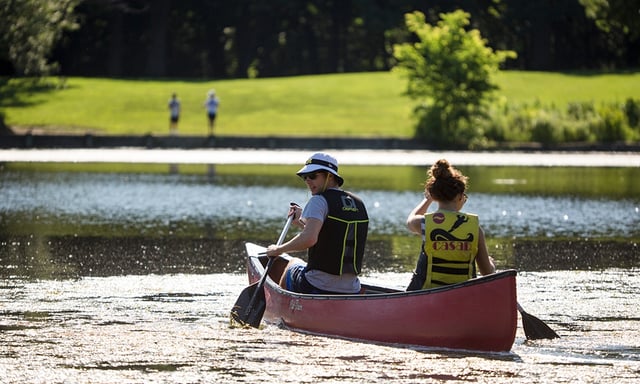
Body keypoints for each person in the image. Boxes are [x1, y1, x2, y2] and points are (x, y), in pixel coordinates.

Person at [265, 152, 369, 294]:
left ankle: (284, 311)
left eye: (313, 176)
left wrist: (278, 250)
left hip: (318, 285)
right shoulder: (358, 203)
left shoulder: (318, 200)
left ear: (330, 176)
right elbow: (334, 233)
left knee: (292, 264)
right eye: (305, 177)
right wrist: (303, 221)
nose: (308, 180)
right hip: (352, 288)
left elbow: (309, 239)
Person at [405, 159, 495, 291]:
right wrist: (491, 263)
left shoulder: (425, 223)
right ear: (460, 196)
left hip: (426, 294)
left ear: (435, 195)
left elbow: (410, 220)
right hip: (463, 294)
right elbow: (487, 273)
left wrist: (427, 199)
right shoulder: (475, 229)